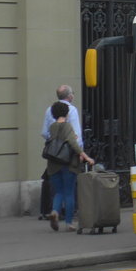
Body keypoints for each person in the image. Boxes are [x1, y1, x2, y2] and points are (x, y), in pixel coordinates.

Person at [44, 101, 95, 232]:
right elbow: (73, 143)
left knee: (59, 191)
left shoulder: (52, 127)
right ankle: (69, 222)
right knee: (69, 192)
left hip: (53, 163)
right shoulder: (68, 127)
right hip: (68, 163)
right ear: (66, 113)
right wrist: (86, 156)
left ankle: (55, 211)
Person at [40, 85, 82, 220]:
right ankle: (69, 218)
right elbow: (76, 136)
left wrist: (55, 143)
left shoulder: (49, 110)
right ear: (69, 96)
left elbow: (44, 133)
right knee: (69, 188)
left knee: (57, 188)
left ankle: (54, 210)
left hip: (53, 155)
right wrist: (80, 152)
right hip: (68, 155)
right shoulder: (72, 110)